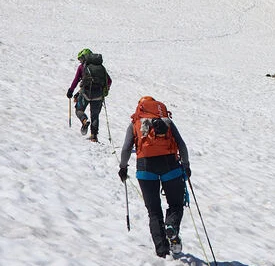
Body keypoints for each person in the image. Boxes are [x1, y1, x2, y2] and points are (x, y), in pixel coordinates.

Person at [118, 96, 191, 258]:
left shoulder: (135, 124)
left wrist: (123, 168)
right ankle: (171, 225)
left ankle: (162, 251)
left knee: (154, 211)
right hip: (170, 165)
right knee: (176, 204)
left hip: (145, 168)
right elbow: (181, 144)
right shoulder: (167, 122)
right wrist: (186, 165)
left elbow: (125, 149)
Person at [66, 48, 112, 142]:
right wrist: (104, 90)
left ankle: (84, 121)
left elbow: (76, 80)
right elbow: (109, 81)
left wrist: (71, 91)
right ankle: (94, 136)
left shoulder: (82, 67)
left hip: (85, 93)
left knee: (79, 110)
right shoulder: (101, 67)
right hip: (98, 95)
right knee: (95, 115)